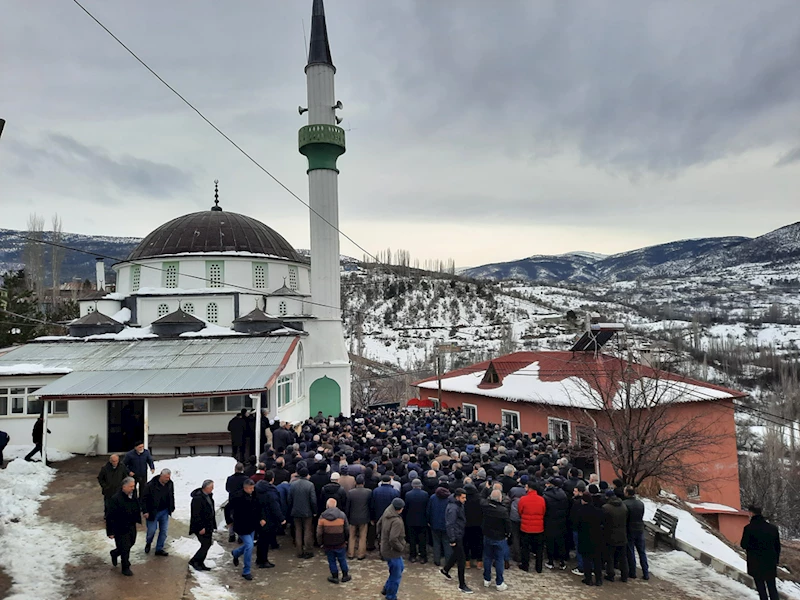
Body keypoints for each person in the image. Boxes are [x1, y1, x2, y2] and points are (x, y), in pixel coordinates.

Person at [741, 505, 781, 600]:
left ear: (751, 513)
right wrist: (776, 560)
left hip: (755, 563)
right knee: (772, 587)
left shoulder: (748, 528)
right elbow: (777, 547)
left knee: (761, 588)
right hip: (770, 562)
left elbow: (743, 544)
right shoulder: (773, 528)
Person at [230, 479, 265, 581]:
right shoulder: (238, 497)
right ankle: (246, 571)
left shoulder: (254, 495)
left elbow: (259, 507)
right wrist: (230, 521)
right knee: (249, 545)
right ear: (245, 488)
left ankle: (236, 553)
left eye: (253, 488)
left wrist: (261, 518)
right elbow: (229, 508)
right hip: (242, 526)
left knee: (248, 545)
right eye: (250, 488)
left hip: (252, 525)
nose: (252, 490)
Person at [106, 476, 141, 577]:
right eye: (131, 486)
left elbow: (135, 505)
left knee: (131, 542)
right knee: (125, 548)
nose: (133, 488)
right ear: (124, 487)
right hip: (120, 527)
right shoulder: (115, 499)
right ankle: (125, 567)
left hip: (131, 525)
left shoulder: (132, 495)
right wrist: (110, 532)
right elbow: (110, 516)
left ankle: (115, 553)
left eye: (133, 486)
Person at [441, 488, 472, 594]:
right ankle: (462, 584)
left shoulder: (458, 505)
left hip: (459, 533)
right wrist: (452, 539)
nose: (465, 500)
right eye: (463, 497)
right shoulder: (453, 508)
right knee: (461, 560)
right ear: (457, 497)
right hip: (456, 536)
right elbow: (450, 524)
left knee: (457, 554)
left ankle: (446, 569)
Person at [481, 489, 511, 591]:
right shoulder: (502, 511)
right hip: (499, 538)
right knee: (499, 560)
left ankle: (487, 579)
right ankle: (499, 582)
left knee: (487, 558)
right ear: (500, 498)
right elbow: (507, 525)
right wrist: (508, 534)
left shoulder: (485, 507)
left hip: (488, 535)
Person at [254, 470, 285, 569]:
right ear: (272, 479)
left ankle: (259, 559)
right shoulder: (271, 491)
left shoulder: (258, 487)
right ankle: (263, 561)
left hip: (260, 517)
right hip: (269, 518)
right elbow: (274, 505)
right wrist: (281, 518)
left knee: (261, 539)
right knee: (265, 540)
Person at [377, 498, 406, 600]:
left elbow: (379, 524)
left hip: (385, 548)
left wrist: (380, 537)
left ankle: (386, 588)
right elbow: (393, 538)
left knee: (399, 568)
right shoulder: (397, 521)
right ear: (400, 509)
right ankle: (391, 596)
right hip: (393, 551)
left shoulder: (387, 512)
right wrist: (401, 547)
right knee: (396, 575)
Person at [142, 468, 175, 556]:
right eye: (166, 478)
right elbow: (143, 499)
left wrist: (172, 506)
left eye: (169, 477)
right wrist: (145, 511)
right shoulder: (150, 485)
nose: (168, 479)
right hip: (153, 512)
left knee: (164, 531)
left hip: (164, 511)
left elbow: (171, 495)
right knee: (152, 531)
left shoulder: (170, 484)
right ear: (161, 476)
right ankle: (148, 542)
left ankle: (159, 549)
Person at [317, 497, 351, 584]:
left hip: (328, 543)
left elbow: (319, 532)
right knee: (342, 559)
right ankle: (345, 575)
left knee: (331, 560)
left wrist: (320, 542)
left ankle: (335, 576)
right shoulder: (342, 515)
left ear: (327, 506)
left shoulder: (322, 517)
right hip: (340, 542)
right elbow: (346, 529)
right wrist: (346, 539)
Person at [576, 492, 605, 586]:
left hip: (585, 538)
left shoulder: (580, 511)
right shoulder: (599, 511)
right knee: (597, 560)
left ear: (583, 500)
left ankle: (588, 579)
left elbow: (577, 525)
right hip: (597, 538)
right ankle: (599, 579)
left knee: (586, 560)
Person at [517, 481, 546, 573]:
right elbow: (543, 511)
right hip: (539, 528)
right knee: (539, 549)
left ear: (529, 488)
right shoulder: (541, 499)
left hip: (526, 528)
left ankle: (525, 565)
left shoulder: (523, 499)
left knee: (525, 548)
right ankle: (539, 567)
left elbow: (520, 511)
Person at [288, 467, 317, 558]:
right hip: (307, 511)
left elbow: (289, 499)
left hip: (296, 510)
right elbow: (313, 500)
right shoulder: (310, 485)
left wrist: (291, 507)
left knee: (298, 531)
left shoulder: (293, 484)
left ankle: (299, 551)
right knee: (307, 531)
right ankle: (308, 550)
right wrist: (314, 511)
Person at [188, 479, 216, 571]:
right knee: (205, 544)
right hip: (201, 526)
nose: (213, 489)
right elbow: (196, 514)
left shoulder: (208, 496)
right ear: (206, 488)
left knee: (207, 544)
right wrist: (200, 527)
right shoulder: (198, 498)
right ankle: (195, 561)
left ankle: (200, 562)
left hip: (209, 525)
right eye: (211, 487)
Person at [602, 489, 629, 582]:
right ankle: (625, 575)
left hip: (610, 535)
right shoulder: (624, 506)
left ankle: (610, 574)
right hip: (622, 535)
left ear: (607, 497)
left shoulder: (606, 507)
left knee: (610, 556)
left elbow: (603, 522)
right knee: (623, 557)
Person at [542, 477, 569, 570]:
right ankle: (562, 562)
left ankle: (551, 561)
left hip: (549, 521)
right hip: (561, 521)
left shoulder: (546, 496)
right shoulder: (563, 495)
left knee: (550, 542)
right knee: (561, 542)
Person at [623, 485, 649, 580]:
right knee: (642, 552)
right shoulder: (640, 503)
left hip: (630, 530)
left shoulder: (625, 504)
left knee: (631, 551)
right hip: (640, 529)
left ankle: (632, 572)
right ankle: (646, 572)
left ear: (627, 493)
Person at [346, 474, 372, 560]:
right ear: (363, 483)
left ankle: (350, 553)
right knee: (362, 536)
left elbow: (348, 507)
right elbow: (370, 506)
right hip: (364, 517)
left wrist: (347, 517)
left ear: (355, 483)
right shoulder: (368, 492)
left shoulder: (350, 492)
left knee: (352, 536)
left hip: (352, 518)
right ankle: (361, 554)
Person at [403, 478, 430, 563]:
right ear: (420, 486)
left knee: (412, 539)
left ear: (412, 486)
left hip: (410, 520)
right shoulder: (425, 494)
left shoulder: (408, 495)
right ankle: (423, 556)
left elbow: (406, 508)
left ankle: (412, 556)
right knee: (422, 539)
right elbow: (427, 508)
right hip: (422, 520)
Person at [427, 484, 453, 566]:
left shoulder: (433, 497)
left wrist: (429, 521)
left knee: (436, 543)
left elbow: (429, 510)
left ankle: (436, 560)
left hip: (435, 524)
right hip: (446, 524)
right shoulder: (450, 498)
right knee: (447, 543)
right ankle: (448, 561)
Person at [97, 454, 127, 519]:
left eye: (116, 461)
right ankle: (107, 515)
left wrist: (123, 486)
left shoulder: (122, 467)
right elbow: (100, 478)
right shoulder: (105, 468)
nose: (115, 462)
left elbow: (125, 477)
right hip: (108, 490)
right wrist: (105, 486)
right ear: (110, 461)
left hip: (119, 489)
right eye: (113, 461)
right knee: (108, 504)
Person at [225, 462, 248, 542]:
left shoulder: (230, 478)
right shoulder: (246, 479)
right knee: (241, 518)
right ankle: (240, 536)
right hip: (243, 502)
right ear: (243, 469)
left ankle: (231, 534)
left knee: (229, 517)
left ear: (235, 469)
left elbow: (227, 489)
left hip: (232, 501)